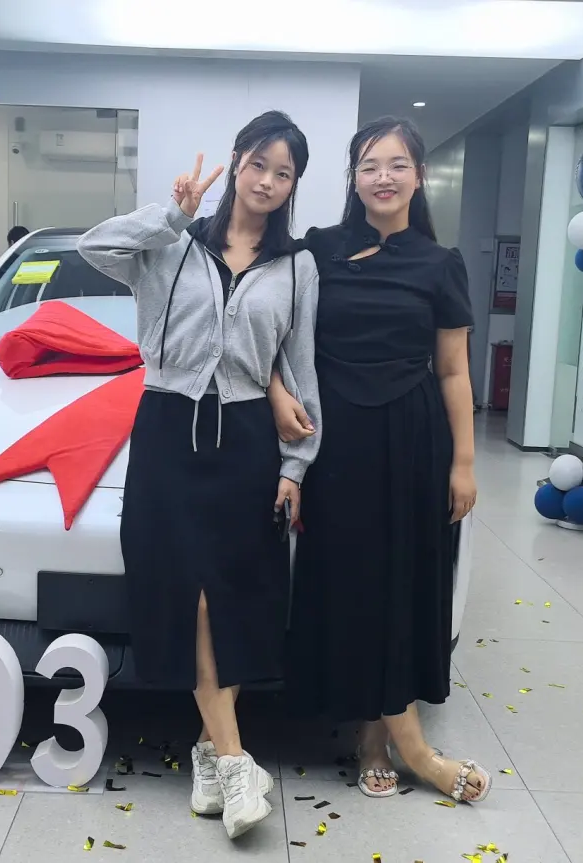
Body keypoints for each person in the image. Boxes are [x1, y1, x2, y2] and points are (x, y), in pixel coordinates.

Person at [78, 111, 320, 840]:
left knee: (232, 595)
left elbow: (300, 366)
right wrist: (172, 214)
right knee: (189, 594)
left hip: (247, 437)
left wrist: (296, 465)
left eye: (284, 173)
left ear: (294, 185)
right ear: (237, 161)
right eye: (259, 164)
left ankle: (215, 755)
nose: (267, 181)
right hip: (167, 428)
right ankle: (238, 760)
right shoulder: (171, 244)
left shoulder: (297, 266)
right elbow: (95, 246)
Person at [268, 116, 488, 804]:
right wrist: (278, 394)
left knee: (403, 583)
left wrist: (463, 462)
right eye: (369, 165)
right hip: (336, 439)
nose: (383, 177)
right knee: (352, 582)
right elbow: (270, 330)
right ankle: (393, 737)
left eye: (396, 165)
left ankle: (379, 739)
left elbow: (453, 370)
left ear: (418, 176)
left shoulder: (440, 263)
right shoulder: (317, 249)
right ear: (353, 179)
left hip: (413, 436)